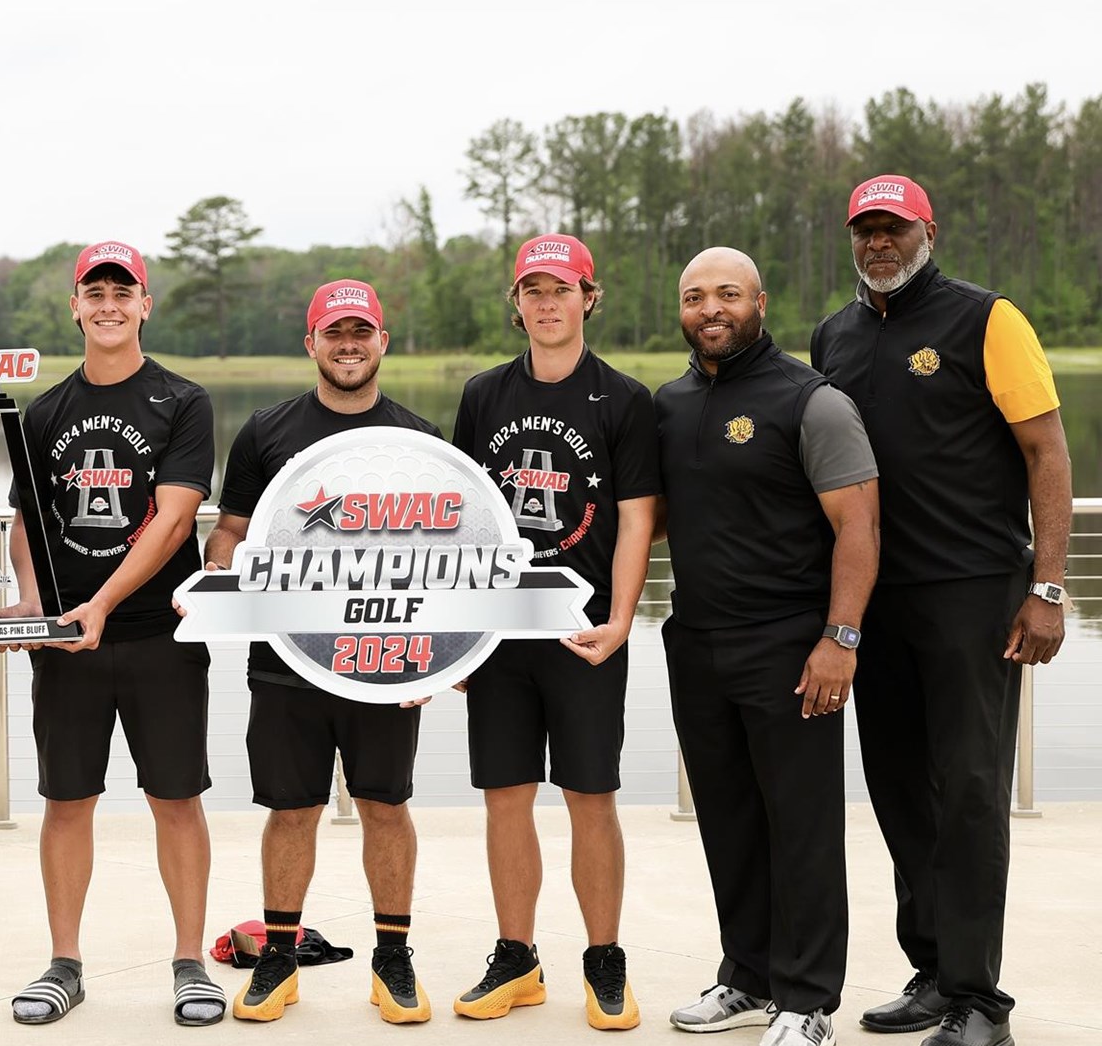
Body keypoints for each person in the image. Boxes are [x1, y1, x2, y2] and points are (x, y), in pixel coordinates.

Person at [811, 175, 1070, 1046]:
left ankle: (979, 1003)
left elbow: (1047, 452)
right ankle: (933, 969)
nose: (879, 243)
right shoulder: (835, 336)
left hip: (973, 597)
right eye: (865, 231)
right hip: (875, 605)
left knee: (967, 792)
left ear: (929, 229)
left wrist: (1047, 586)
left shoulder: (987, 319)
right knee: (900, 795)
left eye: (894, 228)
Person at [0, 240, 226, 1026]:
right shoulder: (45, 411)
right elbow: (26, 519)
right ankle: (66, 964)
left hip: (160, 633)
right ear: (75, 306)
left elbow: (174, 516)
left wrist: (105, 604)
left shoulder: (183, 400)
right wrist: (33, 599)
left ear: (145, 305)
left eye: (124, 293)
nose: (110, 305)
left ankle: (191, 963)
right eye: (95, 293)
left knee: (176, 798)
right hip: (68, 640)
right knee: (67, 800)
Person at [656, 247, 879, 1046]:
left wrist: (839, 638)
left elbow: (860, 526)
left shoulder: (809, 401)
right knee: (730, 820)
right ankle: (747, 978)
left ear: (759, 299)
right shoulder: (671, 403)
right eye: (694, 296)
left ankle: (810, 998)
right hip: (698, 645)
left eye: (726, 294)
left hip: (792, 647)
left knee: (804, 827)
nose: (710, 308)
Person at [203, 279, 437, 1025]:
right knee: (292, 809)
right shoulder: (266, 431)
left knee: (385, 805)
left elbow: (452, 557)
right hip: (287, 660)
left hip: (384, 655)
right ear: (310, 342)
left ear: (382, 342)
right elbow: (232, 530)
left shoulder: (419, 438)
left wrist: (436, 657)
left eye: (360, 332)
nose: (347, 344)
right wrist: (219, 566)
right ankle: (277, 955)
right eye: (333, 332)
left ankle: (392, 957)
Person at [447, 234, 657, 1031]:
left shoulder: (625, 399)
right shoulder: (483, 394)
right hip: (501, 630)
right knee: (506, 798)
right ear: (517, 304)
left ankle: (605, 960)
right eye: (532, 290)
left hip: (582, 634)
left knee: (590, 797)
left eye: (560, 288)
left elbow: (636, 522)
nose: (545, 302)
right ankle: (517, 957)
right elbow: (458, 518)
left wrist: (622, 621)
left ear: (588, 297)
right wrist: (462, 634)